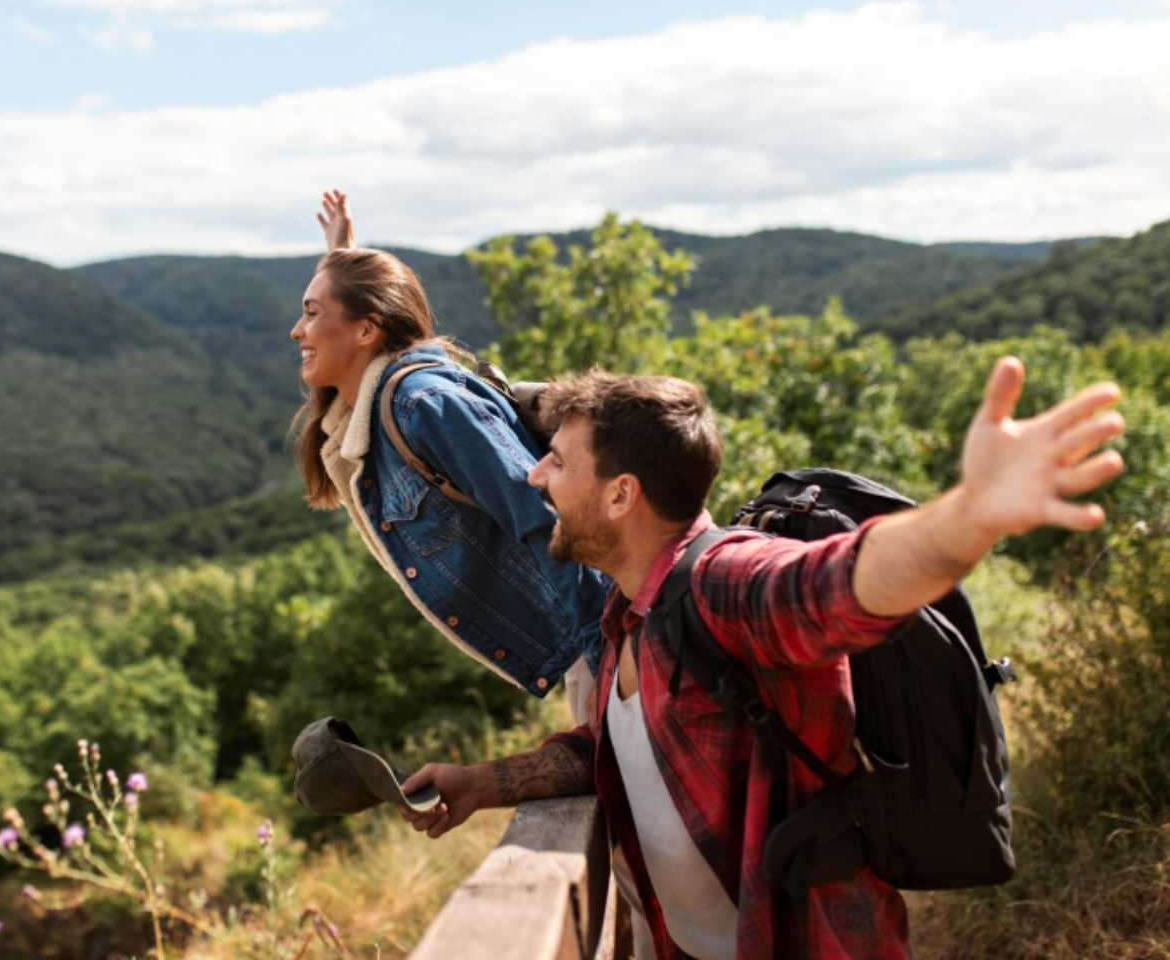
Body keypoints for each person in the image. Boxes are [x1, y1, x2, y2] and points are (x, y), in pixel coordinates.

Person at [396, 361, 1125, 958]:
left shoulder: (725, 582)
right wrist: (483, 782)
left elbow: (843, 585)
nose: (534, 478)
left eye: (557, 462)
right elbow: (622, 744)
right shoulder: (627, 610)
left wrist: (972, 514)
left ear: (621, 495)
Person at [289, 189, 608, 709]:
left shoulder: (426, 405)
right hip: (584, 639)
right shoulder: (366, 416)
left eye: (310, 312)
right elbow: (356, 343)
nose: (296, 329)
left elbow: (546, 521)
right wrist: (341, 254)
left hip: (601, 630)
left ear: (368, 329)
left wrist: (608, 652)